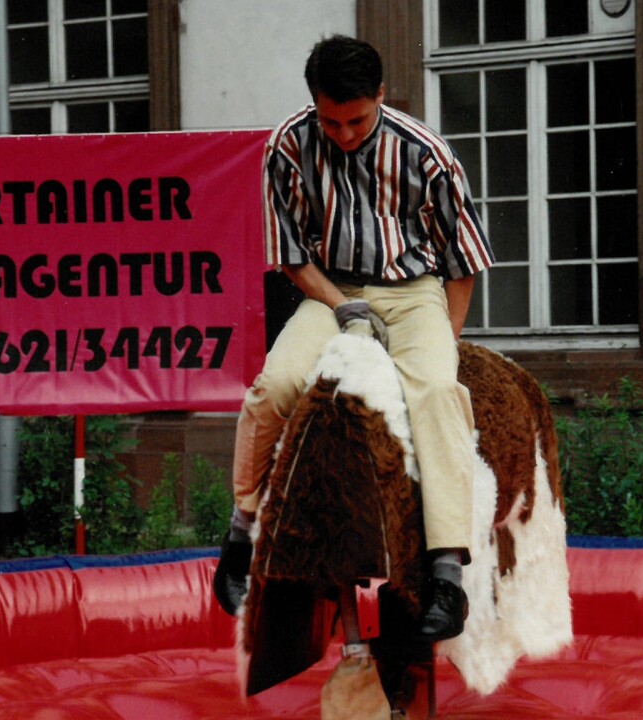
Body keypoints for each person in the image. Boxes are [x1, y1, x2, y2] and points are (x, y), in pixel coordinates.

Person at [213, 34, 494, 643]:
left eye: (356, 120)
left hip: (414, 288)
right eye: (330, 120)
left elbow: (464, 260)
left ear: (382, 97)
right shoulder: (287, 145)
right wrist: (344, 309)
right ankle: (241, 532)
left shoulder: (428, 153)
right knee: (275, 385)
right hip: (329, 286)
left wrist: (442, 339)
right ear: (314, 103)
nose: (342, 133)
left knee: (438, 393)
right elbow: (290, 257)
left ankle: (447, 573)